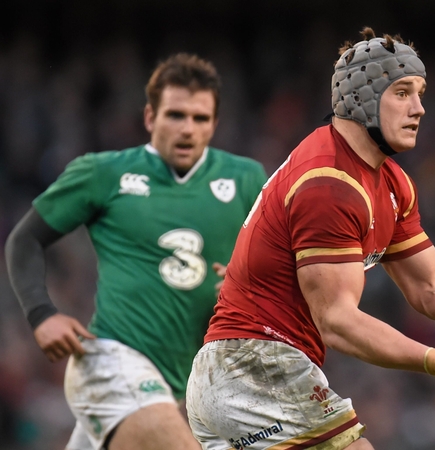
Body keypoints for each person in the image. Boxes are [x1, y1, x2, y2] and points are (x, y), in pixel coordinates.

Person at [185, 28, 435, 450]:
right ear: (361, 97)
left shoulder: (390, 184)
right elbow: (338, 322)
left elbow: (431, 287)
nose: (419, 108)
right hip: (254, 369)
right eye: (402, 92)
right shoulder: (329, 182)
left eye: (420, 93)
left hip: (236, 377)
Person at [5, 53, 267, 450]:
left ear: (215, 123)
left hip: (183, 386)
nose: (187, 129)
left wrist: (245, 287)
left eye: (200, 119)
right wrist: (42, 314)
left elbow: (274, 272)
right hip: (112, 362)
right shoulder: (103, 172)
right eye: (175, 115)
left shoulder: (246, 178)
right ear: (150, 117)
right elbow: (24, 240)